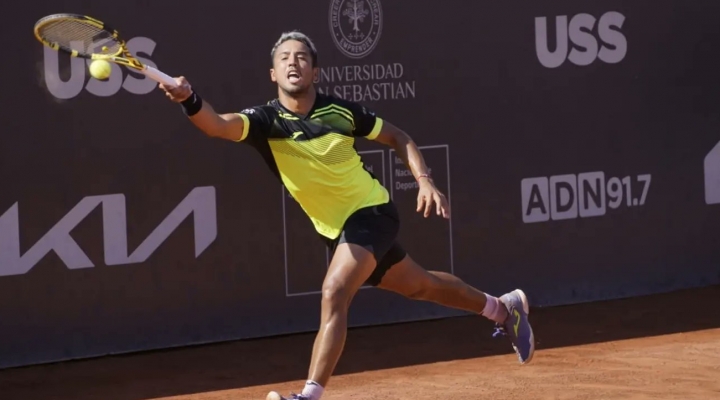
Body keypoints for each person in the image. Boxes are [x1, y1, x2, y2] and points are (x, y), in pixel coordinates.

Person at [158, 30, 535, 400]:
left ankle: (310, 395)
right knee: (421, 285)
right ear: (273, 74)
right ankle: (504, 310)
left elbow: (398, 137)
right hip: (336, 229)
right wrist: (189, 98)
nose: (293, 62)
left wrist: (423, 180)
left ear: (315, 73)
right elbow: (217, 125)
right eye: (284, 58)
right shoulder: (264, 122)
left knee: (334, 291)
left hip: (372, 211)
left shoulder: (340, 112)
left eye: (302, 57)